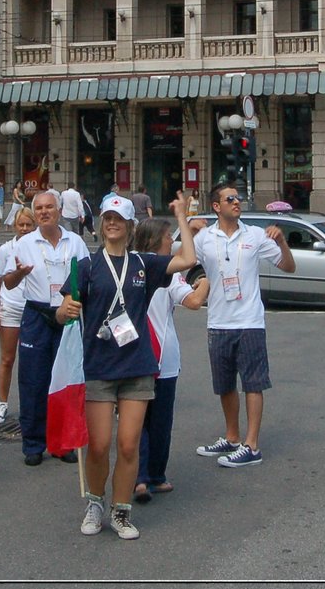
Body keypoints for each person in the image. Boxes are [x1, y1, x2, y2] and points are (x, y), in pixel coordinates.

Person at [57, 193, 199, 539]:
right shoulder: (86, 267)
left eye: (118, 219)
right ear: (101, 224)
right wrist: (67, 311)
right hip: (99, 368)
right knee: (101, 444)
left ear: (129, 225)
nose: (112, 224)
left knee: (128, 444)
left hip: (137, 366)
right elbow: (63, 310)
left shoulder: (144, 264)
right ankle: (95, 503)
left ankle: (121, 511)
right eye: (107, 218)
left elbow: (188, 259)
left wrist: (180, 215)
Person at [192, 182, 296, 468]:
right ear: (216, 206)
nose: (237, 202)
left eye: (238, 198)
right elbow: (184, 259)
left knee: (253, 382)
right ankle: (232, 436)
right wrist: (187, 231)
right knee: (224, 384)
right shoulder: (204, 238)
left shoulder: (255, 235)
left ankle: (252, 445)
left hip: (249, 321)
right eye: (230, 199)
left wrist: (282, 242)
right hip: (218, 320)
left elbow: (288, 266)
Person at [4, 190, 89, 464]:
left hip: (67, 314)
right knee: (33, 381)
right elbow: (8, 282)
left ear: (59, 210)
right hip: (36, 314)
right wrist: (19, 273)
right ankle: (33, 444)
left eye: (49, 207)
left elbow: (87, 278)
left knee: (66, 378)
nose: (43, 212)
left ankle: (63, 443)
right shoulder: (24, 243)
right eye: (38, 208)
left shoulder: (75, 242)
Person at [132, 215, 209, 504]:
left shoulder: (130, 264)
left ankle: (137, 478)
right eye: (169, 237)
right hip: (162, 355)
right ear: (156, 240)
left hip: (132, 355)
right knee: (160, 421)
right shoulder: (166, 271)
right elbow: (192, 302)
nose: (172, 241)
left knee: (135, 419)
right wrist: (204, 282)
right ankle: (155, 476)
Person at [0, 207, 35, 425]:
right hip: (11, 307)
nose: (25, 229)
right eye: (21, 225)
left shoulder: (38, 246)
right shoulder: (7, 249)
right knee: (7, 359)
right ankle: (2, 403)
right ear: (15, 226)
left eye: (28, 225)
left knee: (33, 361)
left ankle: (33, 404)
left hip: (34, 308)